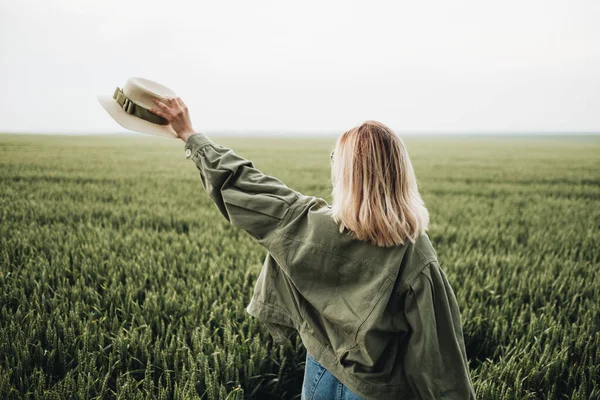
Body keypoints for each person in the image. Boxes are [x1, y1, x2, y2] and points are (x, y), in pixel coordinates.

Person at [149, 97, 477, 400]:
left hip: (320, 373)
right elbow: (437, 356)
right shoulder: (414, 252)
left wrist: (190, 135)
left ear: (348, 173)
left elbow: (244, 184)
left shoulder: (311, 224)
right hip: (377, 389)